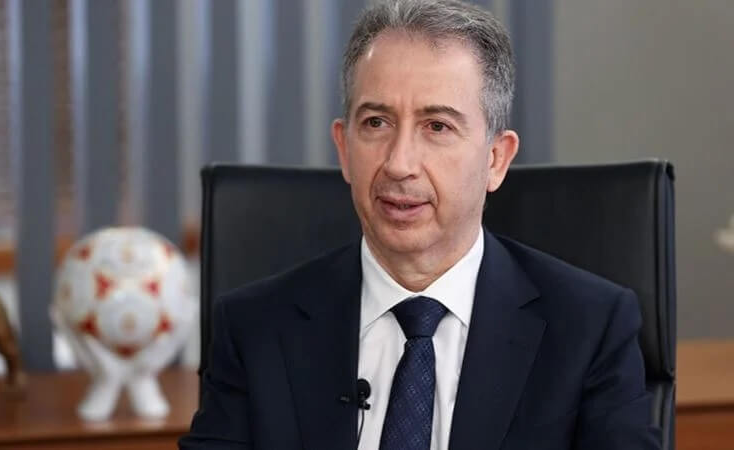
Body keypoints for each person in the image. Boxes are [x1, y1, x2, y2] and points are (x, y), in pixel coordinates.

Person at [180, 0, 660, 448]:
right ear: (343, 148)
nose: (399, 163)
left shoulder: (588, 328)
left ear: (496, 159)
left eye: (437, 126)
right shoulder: (255, 329)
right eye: (376, 122)